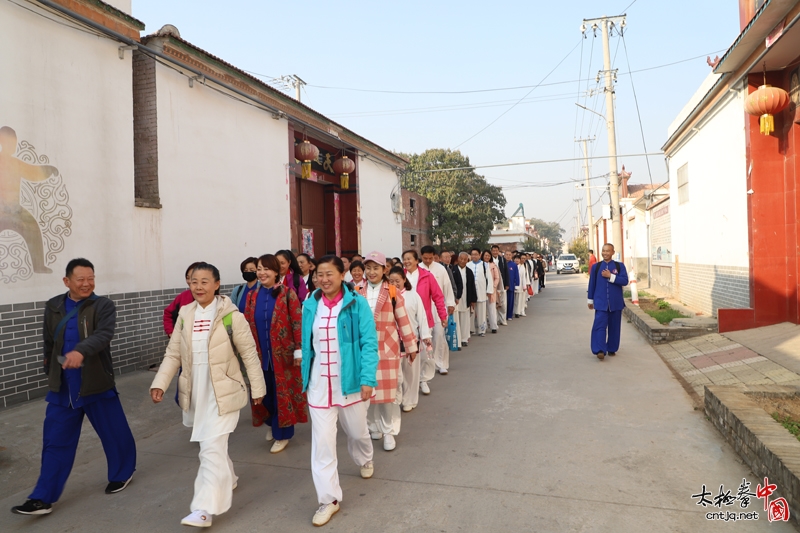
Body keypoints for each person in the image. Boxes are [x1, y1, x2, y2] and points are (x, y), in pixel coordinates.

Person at [12, 258, 137, 516]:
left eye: (91, 278)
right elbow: (49, 341)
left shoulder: (103, 305)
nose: (87, 283)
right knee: (55, 442)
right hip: (64, 387)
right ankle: (42, 497)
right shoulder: (54, 306)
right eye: (80, 279)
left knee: (115, 433)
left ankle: (122, 473)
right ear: (66, 281)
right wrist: (51, 372)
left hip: (96, 382)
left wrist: (81, 351)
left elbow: (104, 335)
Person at [150, 263, 266, 528]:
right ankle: (231, 478)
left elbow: (249, 354)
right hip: (195, 390)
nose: (199, 287)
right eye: (193, 282)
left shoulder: (231, 316)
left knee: (210, 449)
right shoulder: (184, 314)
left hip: (222, 392)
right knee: (211, 446)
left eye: (204, 281)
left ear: (216, 284)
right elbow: (173, 353)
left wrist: (258, 389)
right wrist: (161, 382)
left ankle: (204, 509)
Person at [300, 255, 379, 527]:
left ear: (341, 274)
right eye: (318, 274)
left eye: (329, 274)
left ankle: (365, 458)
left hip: (351, 383)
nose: (323, 279)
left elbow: (369, 343)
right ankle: (329, 499)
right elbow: (306, 342)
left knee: (357, 432)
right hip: (319, 385)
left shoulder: (356, 304)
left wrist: (368, 378)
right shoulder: (310, 305)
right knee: (322, 445)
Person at [244, 254, 307, 453]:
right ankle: (273, 423)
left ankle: (283, 434)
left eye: (266, 269)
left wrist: (299, 350)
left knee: (283, 395)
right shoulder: (252, 295)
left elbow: (298, 322)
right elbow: (246, 323)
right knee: (266, 394)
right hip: (261, 355)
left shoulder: (287, 294)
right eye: (259, 269)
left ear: (276, 272)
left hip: (283, 355)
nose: (262, 273)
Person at [359, 251, 418, 452]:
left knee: (389, 394)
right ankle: (373, 426)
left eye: (376, 268)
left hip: (388, 349)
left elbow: (403, 320)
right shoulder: (357, 291)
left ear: (384, 269)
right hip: (364, 351)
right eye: (368, 268)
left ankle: (390, 431)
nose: (371, 271)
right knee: (367, 393)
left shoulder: (392, 292)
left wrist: (411, 346)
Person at [400, 250, 444, 401]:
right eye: (404, 259)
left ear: (416, 260)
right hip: (404, 321)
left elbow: (438, 296)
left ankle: (424, 379)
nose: (406, 261)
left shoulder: (426, 276)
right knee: (407, 356)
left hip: (424, 320)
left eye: (409, 259)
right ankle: (407, 385)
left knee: (425, 354)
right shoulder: (400, 276)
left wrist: (442, 315)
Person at [387, 266, 431, 413]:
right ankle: (397, 398)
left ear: (404, 280)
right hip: (391, 340)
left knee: (411, 372)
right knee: (396, 373)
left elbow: (422, 316)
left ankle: (410, 399)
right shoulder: (386, 295)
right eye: (391, 280)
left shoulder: (413, 295)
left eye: (397, 280)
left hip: (411, 338)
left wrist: (425, 336)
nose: (394, 283)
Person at [419, 245, 455, 383]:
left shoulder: (440, 269)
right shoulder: (418, 269)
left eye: (430, 258)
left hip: (439, 307)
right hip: (424, 308)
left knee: (439, 335)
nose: (427, 260)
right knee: (426, 337)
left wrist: (450, 303)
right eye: (425, 258)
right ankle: (429, 364)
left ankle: (442, 364)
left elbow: (447, 287)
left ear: (434, 256)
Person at [587, 244, 629, 361]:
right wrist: (590, 299)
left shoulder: (619, 266)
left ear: (612, 252)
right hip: (600, 303)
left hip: (616, 303)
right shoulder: (596, 267)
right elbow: (592, 284)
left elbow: (625, 281)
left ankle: (612, 348)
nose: (605, 253)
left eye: (607, 251)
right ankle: (600, 350)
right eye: (603, 251)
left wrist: (611, 276)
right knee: (599, 326)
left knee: (614, 327)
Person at [163, 261, 202, 336]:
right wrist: (171, 333)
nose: (190, 281)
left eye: (194, 278)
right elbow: (168, 313)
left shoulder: (218, 301)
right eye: (188, 278)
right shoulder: (183, 297)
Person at [451, 252, 477, 348]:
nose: (462, 261)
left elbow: (472, 286)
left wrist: (473, 300)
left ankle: (464, 338)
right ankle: (457, 339)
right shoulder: (453, 270)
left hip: (466, 297)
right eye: (461, 259)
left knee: (465, 318)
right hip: (456, 299)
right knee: (456, 318)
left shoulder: (469, 272)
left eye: (464, 259)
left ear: (467, 260)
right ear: (458, 259)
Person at [468, 248, 492, 337]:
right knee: (471, 311)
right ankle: (471, 329)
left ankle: (482, 330)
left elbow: (489, 278)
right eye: (472, 254)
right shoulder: (468, 265)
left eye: (476, 254)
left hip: (482, 291)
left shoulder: (485, 265)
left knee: (481, 312)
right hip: (471, 292)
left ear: (479, 254)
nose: (474, 256)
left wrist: (489, 291)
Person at [482, 250, 502, 333]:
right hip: (481, 290)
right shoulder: (480, 265)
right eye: (485, 255)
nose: (487, 257)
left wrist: (494, 286)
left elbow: (497, 278)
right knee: (482, 310)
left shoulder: (493, 266)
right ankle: (483, 327)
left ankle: (494, 326)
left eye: (488, 256)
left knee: (492, 309)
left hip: (491, 291)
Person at [491, 245, 509, 326]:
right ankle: (495, 320)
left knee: (503, 303)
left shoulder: (502, 259)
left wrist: (507, 283)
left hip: (502, 284)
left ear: (498, 251)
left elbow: (506, 272)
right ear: (491, 251)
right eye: (493, 250)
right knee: (493, 303)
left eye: (496, 250)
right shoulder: (489, 260)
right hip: (492, 285)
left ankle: (503, 319)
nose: (495, 252)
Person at [505, 251, 519, 321]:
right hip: (503, 287)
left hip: (511, 286)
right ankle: (503, 315)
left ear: (511, 256)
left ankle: (509, 315)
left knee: (510, 301)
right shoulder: (502, 263)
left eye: (509, 255)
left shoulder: (514, 265)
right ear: (504, 255)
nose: (508, 256)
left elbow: (517, 275)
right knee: (504, 302)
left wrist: (516, 285)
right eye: (507, 255)